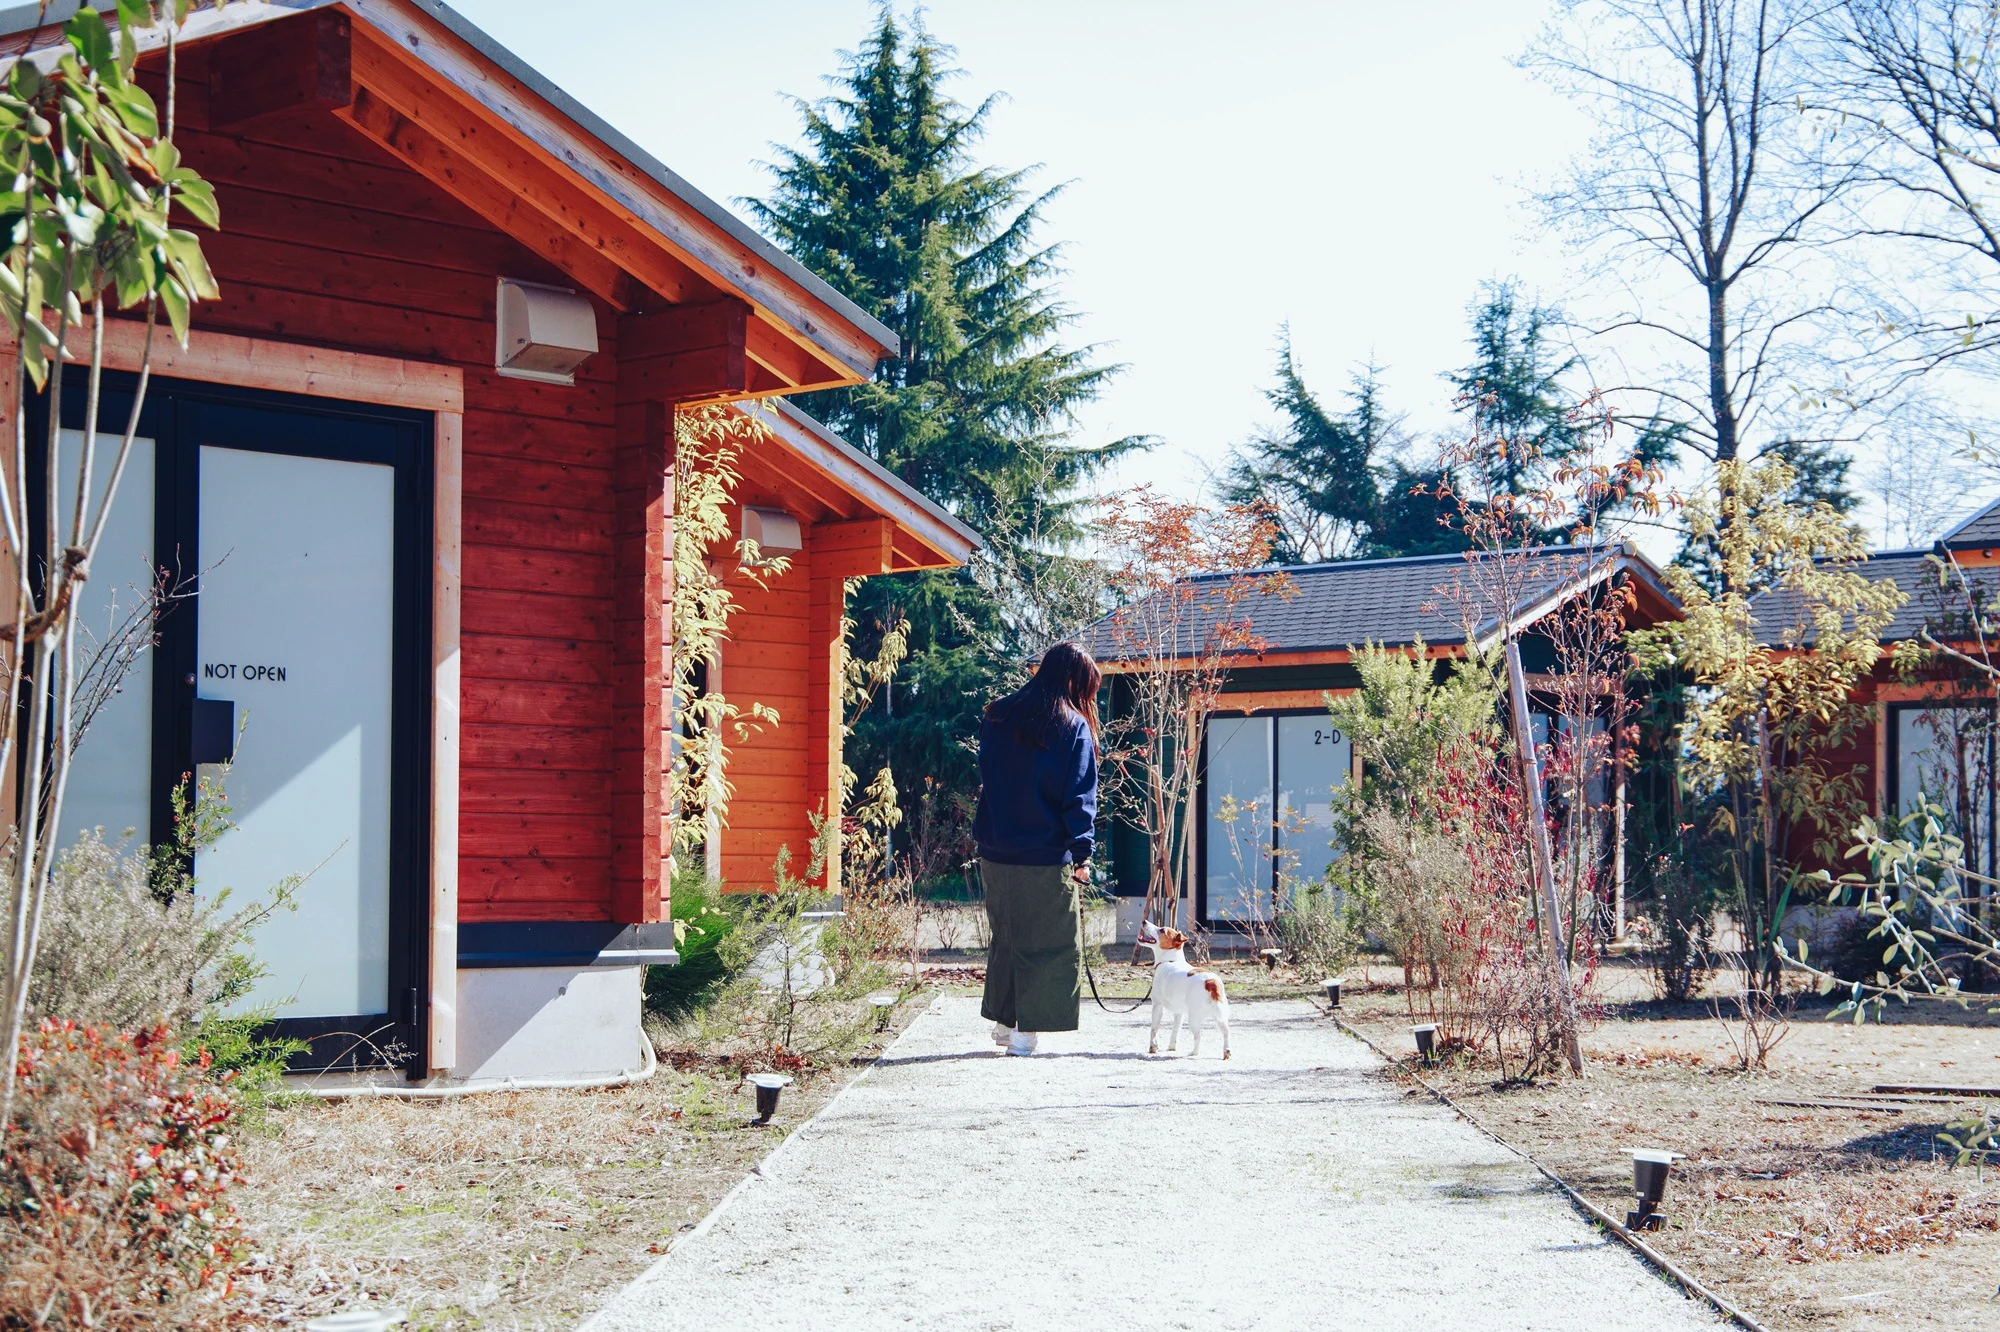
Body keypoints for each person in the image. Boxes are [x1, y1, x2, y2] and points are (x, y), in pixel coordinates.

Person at [972, 642, 1101, 1056]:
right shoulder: (1071, 725)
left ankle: (1004, 1021)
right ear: (1073, 681)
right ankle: (1025, 1033)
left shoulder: (998, 714)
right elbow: (1079, 796)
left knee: (1007, 936)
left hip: (995, 847)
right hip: (1044, 852)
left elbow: (990, 778)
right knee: (1049, 940)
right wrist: (1082, 854)